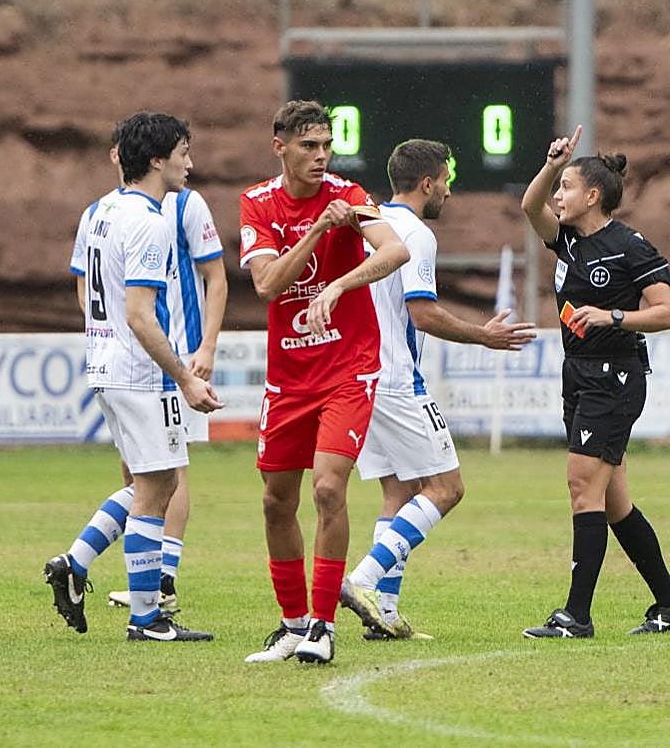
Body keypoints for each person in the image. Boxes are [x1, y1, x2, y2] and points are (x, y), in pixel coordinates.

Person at [338, 139, 536, 640]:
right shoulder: (415, 235)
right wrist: (484, 336)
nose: (449, 190)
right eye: (446, 180)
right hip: (396, 380)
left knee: (399, 492)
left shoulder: (369, 223)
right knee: (447, 488)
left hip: (359, 378)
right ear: (427, 183)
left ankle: (383, 615)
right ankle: (362, 579)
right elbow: (422, 313)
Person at [239, 100, 408, 665]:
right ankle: (291, 626)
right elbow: (267, 285)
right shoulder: (258, 203)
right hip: (289, 378)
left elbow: (396, 249)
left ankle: (322, 625)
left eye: (326, 145)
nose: (321, 156)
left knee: (329, 489)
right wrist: (316, 231)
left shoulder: (348, 194)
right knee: (275, 501)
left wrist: (339, 285)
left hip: (348, 369)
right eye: (309, 146)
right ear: (280, 147)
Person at [44, 129, 226, 631]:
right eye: (183, 153)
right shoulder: (150, 221)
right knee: (157, 487)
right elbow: (141, 315)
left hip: (107, 366)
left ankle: (75, 563)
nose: (190, 164)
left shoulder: (98, 210)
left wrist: (106, 341)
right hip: (142, 373)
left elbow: (86, 290)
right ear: (157, 160)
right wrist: (183, 378)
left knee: (153, 481)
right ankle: (146, 616)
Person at [519, 125, 670, 638]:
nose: (558, 196)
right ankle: (668, 603)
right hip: (579, 375)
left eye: (566, 187)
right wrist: (551, 165)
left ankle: (576, 616)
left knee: (582, 487)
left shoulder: (628, 245)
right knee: (614, 502)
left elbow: (665, 309)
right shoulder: (567, 241)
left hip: (614, 377)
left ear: (592, 196)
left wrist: (615, 317)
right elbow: (530, 206)